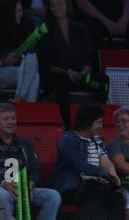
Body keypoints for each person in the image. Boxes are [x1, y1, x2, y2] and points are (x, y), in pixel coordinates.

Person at [0, 103, 62, 220]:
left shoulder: (24, 143)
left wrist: (31, 184)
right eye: (6, 119)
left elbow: (35, 169)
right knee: (2, 195)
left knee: (53, 196)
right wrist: (3, 183)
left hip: (23, 188)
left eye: (13, 118)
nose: (11, 122)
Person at [51, 103, 123, 220]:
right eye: (98, 122)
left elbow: (105, 160)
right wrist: (101, 174)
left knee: (117, 198)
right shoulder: (68, 140)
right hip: (74, 188)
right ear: (88, 122)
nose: (101, 126)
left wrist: (112, 176)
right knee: (95, 196)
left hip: (96, 185)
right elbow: (80, 164)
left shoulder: (98, 140)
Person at [36, 0, 95, 128]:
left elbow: (88, 57)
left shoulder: (81, 28)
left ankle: (96, 123)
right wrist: (67, 72)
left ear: (67, 5)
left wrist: (85, 70)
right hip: (57, 74)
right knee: (61, 82)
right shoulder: (45, 30)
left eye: (60, 4)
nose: (57, 8)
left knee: (102, 81)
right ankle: (68, 126)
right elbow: (46, 63)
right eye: (53, 5)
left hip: (80, 74)